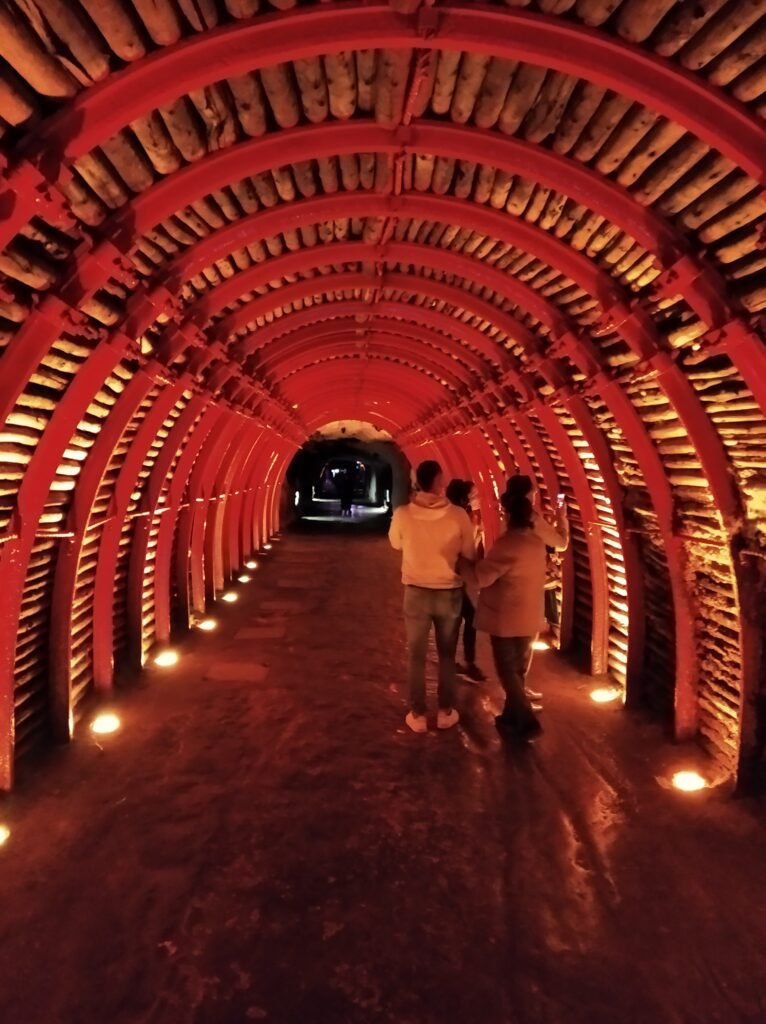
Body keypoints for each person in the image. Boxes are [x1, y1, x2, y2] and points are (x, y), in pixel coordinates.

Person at [459, 479, 567, 741]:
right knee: (518, 670)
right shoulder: (537, 542)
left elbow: (481, 578)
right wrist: (561, 518)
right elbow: (561, 542)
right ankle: (510, 718)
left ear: (507, 514)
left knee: (508, 671)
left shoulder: (507, 545)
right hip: (530, 615)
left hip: (505, 617)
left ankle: (528, 723)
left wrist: (459, 561)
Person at [389, 460, 475, 733]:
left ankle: (417, 714)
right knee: (447, 654)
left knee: (416, 655)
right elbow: (470, 553)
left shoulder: (403, 513)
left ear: (418, 482)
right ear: (439, 482)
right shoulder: (459, 515)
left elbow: (395, 542)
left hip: (415, 591)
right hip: (449, 592)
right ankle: (446, 710)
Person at [446, 478, 486, 682]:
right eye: (474, 495)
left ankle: (457, 663)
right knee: (466, 618)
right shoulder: (461, 518)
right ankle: (463, 664)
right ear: (465, 499)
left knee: (463, 618)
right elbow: (467, 551)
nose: (478, 498)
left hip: (453, 578)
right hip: (451, 578)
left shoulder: (456, 515)